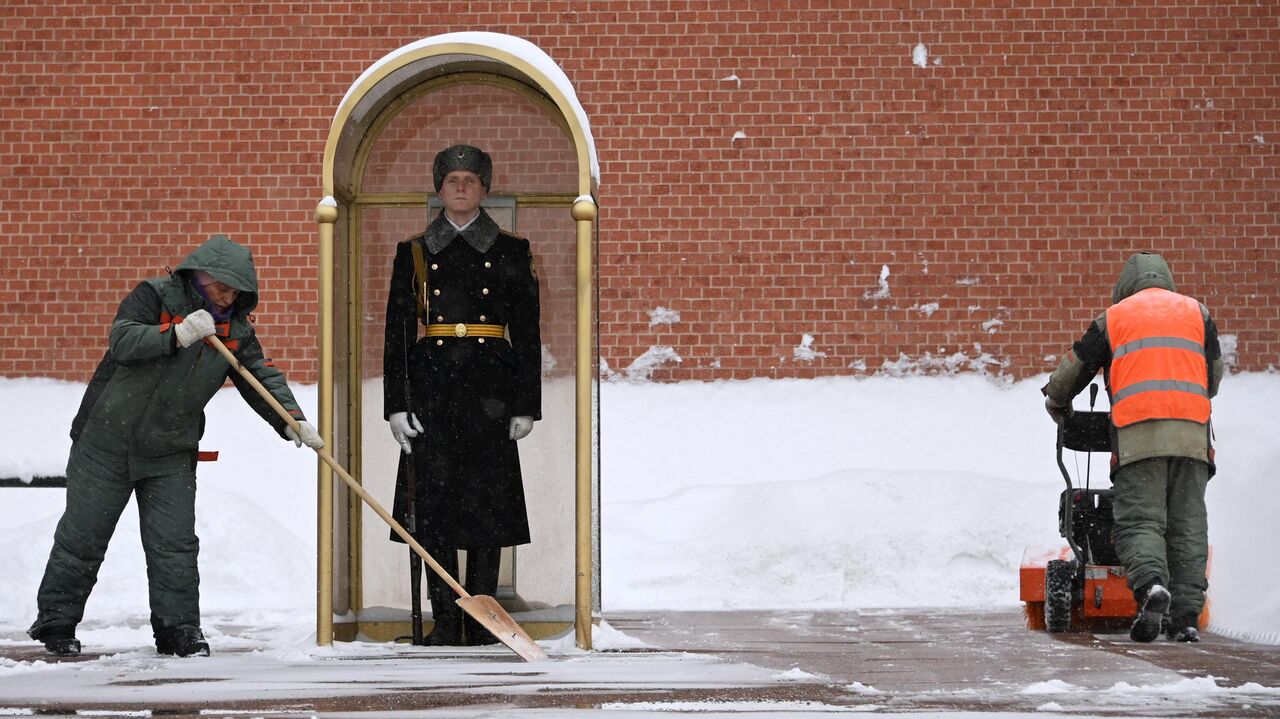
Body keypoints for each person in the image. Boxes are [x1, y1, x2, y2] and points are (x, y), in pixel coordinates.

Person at [28, 235, 323, 658]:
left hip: (170, 451)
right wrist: (178, 333)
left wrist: (291, 420)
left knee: (175, 545)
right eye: (223, 287)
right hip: (105, 442)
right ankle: (57, 622)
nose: (229, 296)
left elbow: (261, 377)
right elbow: (123, 341)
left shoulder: (235, 328)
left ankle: (179, 630)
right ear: (200, 275)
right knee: (83, 537)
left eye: (237, 290)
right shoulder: (154, 295)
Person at [382, 144, 541, 646]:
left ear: (485, 189)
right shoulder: (414, 251)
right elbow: (397, 333)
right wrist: (397, 403)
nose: (460, 187)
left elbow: (529, 334)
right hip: (433, 387)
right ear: (438, 187)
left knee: (487, 510)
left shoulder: (512, 250)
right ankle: (446, 619)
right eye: (451, 179)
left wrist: (524, 404)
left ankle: (483, 619)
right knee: (434, 508)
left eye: (470, 180)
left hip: (490, 386)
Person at [1043, 251, 1223, 643]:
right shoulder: (1198, 314)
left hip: (1139, 436)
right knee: (1188, 526)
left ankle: (1152, 587)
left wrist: (1056, 401)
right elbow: (1213, 377)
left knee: (1141, 522)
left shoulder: (1116, 316)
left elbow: (1075, 366)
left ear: (1125, 286)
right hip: (1193, 437)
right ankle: (1186, 618)